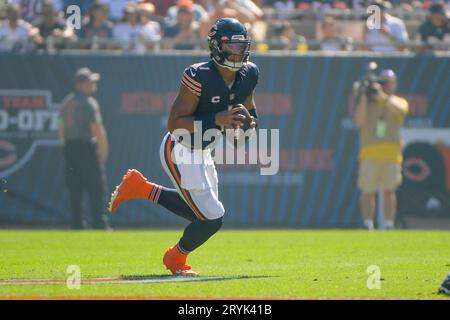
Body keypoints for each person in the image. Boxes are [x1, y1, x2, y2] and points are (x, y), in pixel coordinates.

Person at [109, 18, 259, 276]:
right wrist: (217, 119)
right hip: (180, 149)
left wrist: (249, 124)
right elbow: (174, 123)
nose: (238, 51)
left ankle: (142, 188)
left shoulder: (249, 73)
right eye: (232, 45)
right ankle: (175, 258)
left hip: (204, 150)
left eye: (242, 45)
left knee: (203, 214)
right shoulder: (198, 75)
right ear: (216, 46)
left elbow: (249, 107)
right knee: (211, 218)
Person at [353, 69, 409, 230]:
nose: (384, 86)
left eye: (387, 83)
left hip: (391, 153)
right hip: (370, 151)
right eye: (382, 83)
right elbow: (359, 120)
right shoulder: (368, 103)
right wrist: (364, 95)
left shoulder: (398, 101)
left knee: (389, 190)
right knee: (367, 190)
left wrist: (382, 96)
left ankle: (389, 223)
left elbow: (399, 111)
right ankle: (368, 223)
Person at [59, 68, 110, 230]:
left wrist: (65, 147)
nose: (93, 84)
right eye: (90, 81)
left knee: (75, 188)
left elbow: (60, 128)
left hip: (70, 148)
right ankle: (99, 223)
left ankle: (76, 223)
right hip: (86, 148)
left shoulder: (66, 102)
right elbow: (96, 127)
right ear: (80, 84)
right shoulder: (88, 102)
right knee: (96, 187)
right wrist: (102, 149)